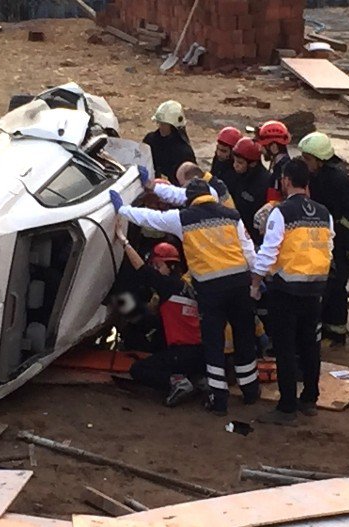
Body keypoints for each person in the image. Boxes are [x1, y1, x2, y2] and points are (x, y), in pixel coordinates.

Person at [109, 178, 259, 416]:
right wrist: (255, 282)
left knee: (214, 345)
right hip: (239, 284)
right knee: (244, 338)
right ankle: (251, 391)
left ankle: (218, 400)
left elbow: (150, 218)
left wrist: (122, 209)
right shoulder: (232, 216)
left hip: (211, 290)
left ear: (189, 200)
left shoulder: (184, 218)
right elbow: (250, 253)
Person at [251, 158, 334, 425]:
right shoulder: (324, 213)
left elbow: (268, 251)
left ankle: (287, 406)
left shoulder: (281, 212)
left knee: (285, 347)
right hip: (315, 288)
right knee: (311, 345)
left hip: (286, 288)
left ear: (286, 181)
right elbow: (328, 249)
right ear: (307, 182)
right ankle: (310, 398)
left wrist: (255, 283)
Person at [115, 224, 205, 407]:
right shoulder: (189, 289)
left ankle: (177, 382)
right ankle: (196, 378)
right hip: (200, 353)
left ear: (170, 266)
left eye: (158, 265)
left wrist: (123, 241)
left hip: (182, 352)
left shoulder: (168, 286)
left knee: (139, 370)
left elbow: (141, 269)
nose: (155, 269)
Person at [299, 132, 349, 346]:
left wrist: (335, 230)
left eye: (308, 159)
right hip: (324, 242)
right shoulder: (315, 177)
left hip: (340, 244)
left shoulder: (338, 180)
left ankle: (336, 334)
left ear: (320, 160)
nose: (305, 163)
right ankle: (326, 330)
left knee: (335, 287)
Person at [143, 100, 196, 185]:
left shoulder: (184, 152)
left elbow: (189, 182)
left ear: (173, 126)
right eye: (159, 123)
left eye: (164, 124)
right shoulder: (150, 140)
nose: (161, 127)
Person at [230, 137, 271, 245]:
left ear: (252, 164)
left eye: (240, 162)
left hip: (256, 239)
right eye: (234, 160)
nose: (235, 165)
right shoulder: (238, 175)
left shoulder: (265, 182)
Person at [144, 162, 235, 209]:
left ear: (194, 179)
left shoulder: (210, 192)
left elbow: (179, 195)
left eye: (184, 185)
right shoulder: (215, 184)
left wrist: (152, 186)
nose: (184, 189)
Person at [211, 126, 243, 191]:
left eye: (224, 151)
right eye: (218, 149)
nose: (219, 153)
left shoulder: (239, 170)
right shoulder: (218, 159)